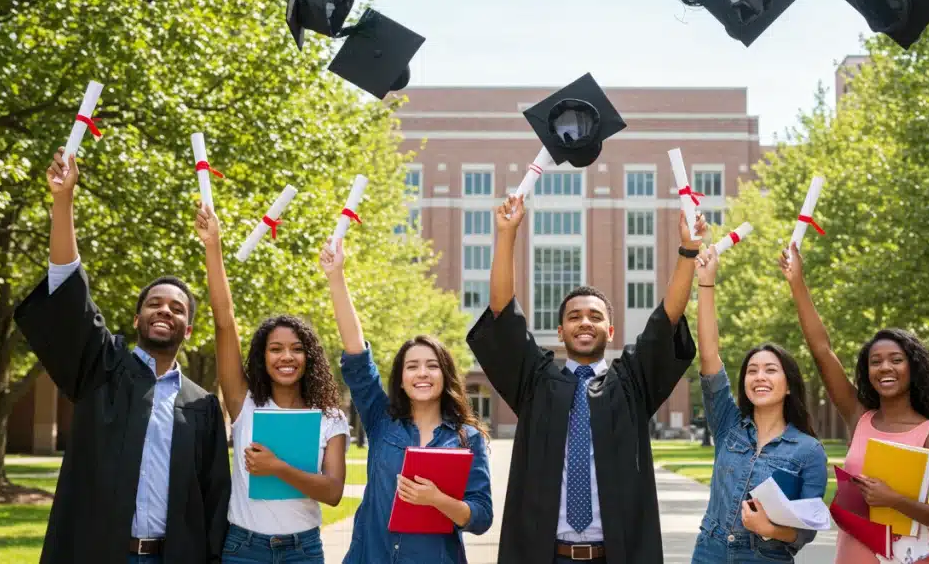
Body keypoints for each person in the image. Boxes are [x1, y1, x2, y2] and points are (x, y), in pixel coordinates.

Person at [13, 149, 231, 563]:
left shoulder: (201, 406)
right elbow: (67, 290)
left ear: (188, 329)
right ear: (136, 319)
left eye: (177, 308)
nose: (165, 310)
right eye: (154, 304)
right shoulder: (103, 368)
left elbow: (214, 500)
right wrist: (63, 202)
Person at [466, 194, 702, 564]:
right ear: (560, 331)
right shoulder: (537, 384)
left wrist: (688, 251)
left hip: (615, 555)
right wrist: (507, 233)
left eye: (594, 316)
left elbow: (666, 321)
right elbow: (502, 313)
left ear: (610, 329)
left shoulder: (630, 385)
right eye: (574, 317)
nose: (585, 322)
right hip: (547, 556)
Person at [779, 243, 929, 564]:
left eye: (896, 360)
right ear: (867, 370)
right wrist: (797, 283)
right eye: (875, 361)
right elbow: (822, 350)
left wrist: (893, 500)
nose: (885, 368)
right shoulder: (858, 415)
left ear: (912, 367)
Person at [194, 204, 350, 563]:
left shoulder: (329, 417)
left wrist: (277, 467)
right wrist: (213, 245)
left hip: (303, 550)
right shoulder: (244, 402)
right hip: (243, 549)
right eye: (276, 349)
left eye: (297, 349)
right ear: (262, 358)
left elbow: (333, 492)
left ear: (309, 357)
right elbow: (224, 320)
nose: (286, 357)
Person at [334, 238, 493, 562]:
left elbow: (481, 516)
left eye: (432, 366)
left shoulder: (466, 438)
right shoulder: (382, 421)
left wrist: (437, 500)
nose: (422, 373)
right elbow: (358, 359)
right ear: (402, 379)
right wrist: (336, 275)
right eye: (412, 366)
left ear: (445, 375)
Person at [691, 246, 828, 563]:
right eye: (752, 371)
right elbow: (709, 356)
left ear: (789, 385)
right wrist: (706, 283)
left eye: (770, 370)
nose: (759, 377)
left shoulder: (808, 451)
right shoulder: (728, 426)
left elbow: (807, 530)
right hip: (709, 553)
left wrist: (769, 528)